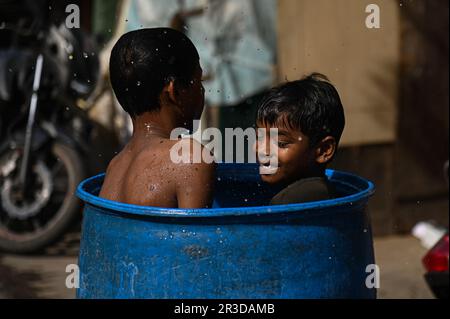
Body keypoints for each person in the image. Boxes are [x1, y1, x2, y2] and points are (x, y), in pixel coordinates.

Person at [99, 28, 215, 208]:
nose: (202, 90)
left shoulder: (114, 167)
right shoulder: (189, 158)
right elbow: (196, 236)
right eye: (198, 81)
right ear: (174, 91)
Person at [255, 73, 345, 205]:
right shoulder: (321, 192)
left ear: (323, 150)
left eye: (281, 143)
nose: (263, 150)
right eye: (259, 138)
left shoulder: (291, 201)